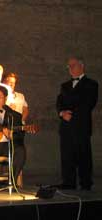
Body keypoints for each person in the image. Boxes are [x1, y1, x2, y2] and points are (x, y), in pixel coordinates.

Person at [56, 57, 98, 191]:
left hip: (81, 126)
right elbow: (59, 103)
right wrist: (62, 113)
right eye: (68, 66)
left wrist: (71, 115)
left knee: (83, 155)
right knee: (67, 155)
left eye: (72, 65)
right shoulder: (65, 85)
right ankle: (68, 182)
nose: (70, 68)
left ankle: (86, 183)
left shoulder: (91, 84)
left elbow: (87, 104)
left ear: (81, 66)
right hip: (66, 127)